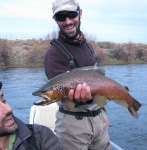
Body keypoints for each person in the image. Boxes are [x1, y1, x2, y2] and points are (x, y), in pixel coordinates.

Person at [44, 0, 111, 150]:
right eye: (61, 17)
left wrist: (103, 113)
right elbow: (62, 94)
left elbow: (99, 85)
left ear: (80, 13)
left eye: (71, 14)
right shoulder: (54, 54)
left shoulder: (87, 46)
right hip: (73, 127)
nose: (67, 21)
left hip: (99, 121)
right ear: (55, 20)